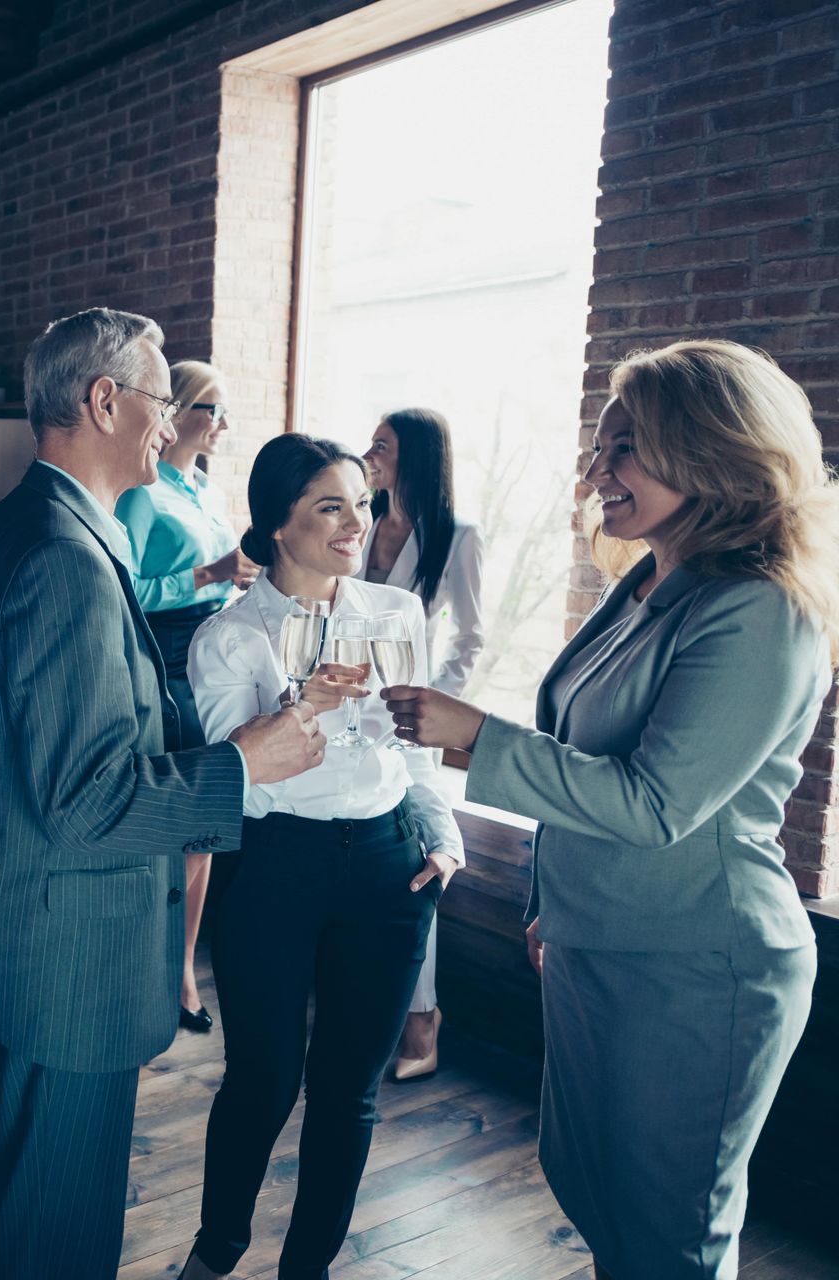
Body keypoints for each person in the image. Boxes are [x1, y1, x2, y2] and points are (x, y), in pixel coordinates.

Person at [385, 340, 836, 1280]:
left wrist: (477, 736)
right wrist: (561, 902)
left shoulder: (759, 609)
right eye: (601, 447)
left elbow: (658, 800)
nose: (598, 471)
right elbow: (590, 753)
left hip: (701, 964)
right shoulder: (648, 578)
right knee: (589, 1182)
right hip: (602, 939)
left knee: (666, 1233)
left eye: (624, 446)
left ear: (712, 450)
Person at [0, 308, 323, 1280]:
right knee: (59, 1232)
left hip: (45, 925)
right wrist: (244, 764)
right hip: (72, 948)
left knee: (47, 1209)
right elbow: (84, 802)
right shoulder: (62, 557)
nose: (174, 422)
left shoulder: (50, 521)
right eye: (163, 400)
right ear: (104, 399)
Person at [179, 432, 463, 1280]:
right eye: (329, 506)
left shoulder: (396, 614)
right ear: (275, 524)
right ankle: (216, 1250)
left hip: (388, 868)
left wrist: (441, 839)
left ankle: (309, 1268)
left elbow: (416, 754)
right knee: (262, 1082)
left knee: (350, 1092)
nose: (355, 522)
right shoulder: (228, 639)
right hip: (275, 867)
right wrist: (307, 700)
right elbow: (241, 784)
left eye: (362, 502)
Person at [115, 358, 259, 1037]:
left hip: (215, 654)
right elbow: (127, 592)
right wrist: (211, 572)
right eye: (215, 410)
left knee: (203, 832)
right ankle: (157, 969)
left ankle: (179, 970)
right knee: (182, 825)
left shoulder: (207, 490)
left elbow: (224, 577)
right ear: (181, 414)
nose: (225, 424)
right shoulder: (144, 494)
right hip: (166, 660)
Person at [359, 407, 486, 1082]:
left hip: (413, 727)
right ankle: (370, 1004)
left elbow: (470, 635)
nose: (368, 453)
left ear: (416, 458)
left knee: (420, 864)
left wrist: (433, 704)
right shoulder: (362, 523)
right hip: (351, 720)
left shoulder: (456, 537)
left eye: (381, 445)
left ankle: (422, 1021)